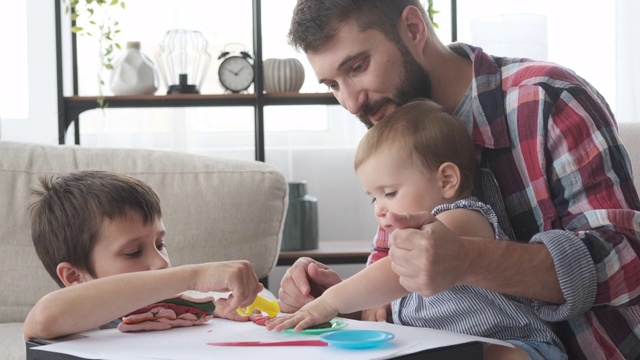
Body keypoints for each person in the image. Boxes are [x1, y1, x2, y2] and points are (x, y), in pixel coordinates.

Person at [277, 1, 640, 359]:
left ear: (413, 29)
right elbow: (397, 288)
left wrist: (468, 259)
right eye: (332, 85)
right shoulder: (392, 128)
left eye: (357, 67)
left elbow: (627, 260)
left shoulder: (547, 98)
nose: (351, 103)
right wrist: (335, 300)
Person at [268, 99, 566, 359]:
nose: (379, 209)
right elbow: (393, 287)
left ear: (446, 180)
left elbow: (392, 274)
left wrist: (331, 301)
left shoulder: (462, 217)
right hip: (443, 347)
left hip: (517, 344)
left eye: (390, 192)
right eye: (373, 197)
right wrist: (377, 305)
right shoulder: (404, 252)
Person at [24, 170, 263, 340]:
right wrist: (195, 275)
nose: (162, 262)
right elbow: (46, 316)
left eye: (160, 244)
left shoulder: (161, 308)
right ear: (75, 276)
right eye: (133, 252)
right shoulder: (73, 320)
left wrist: (212, 309)